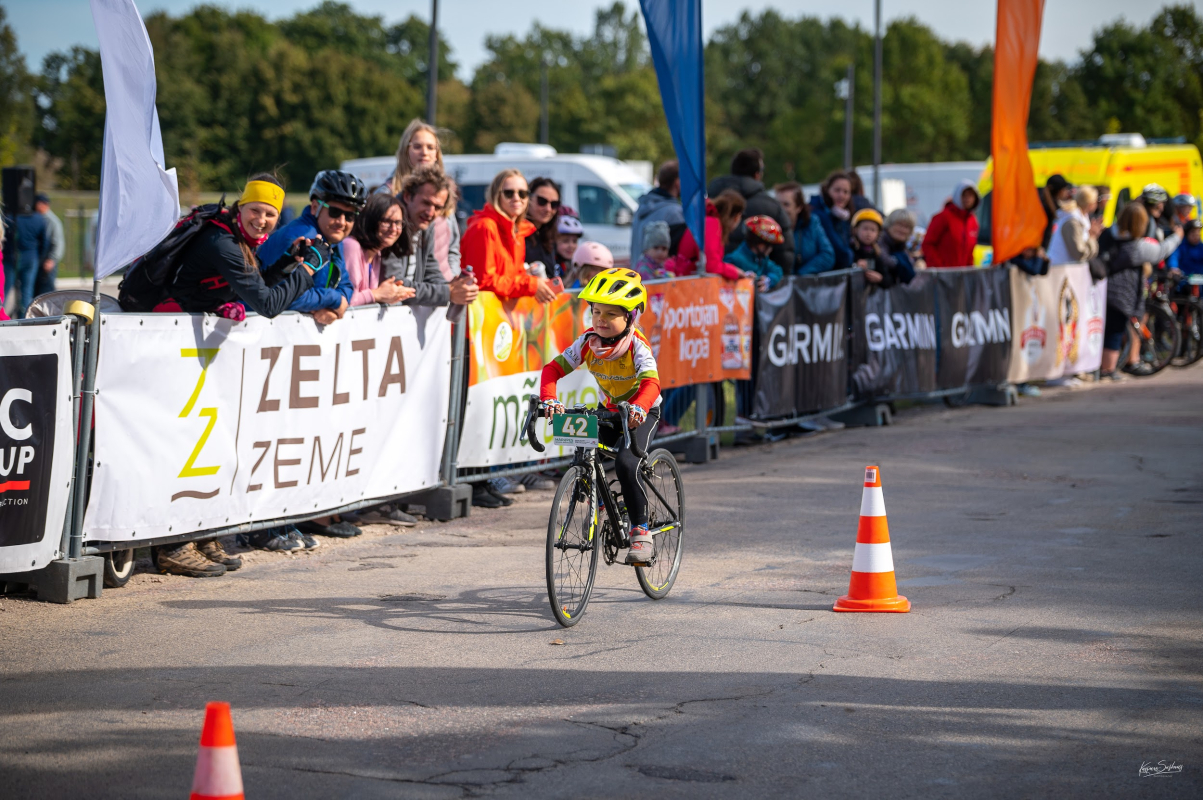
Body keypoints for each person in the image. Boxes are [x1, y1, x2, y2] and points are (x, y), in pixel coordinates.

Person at [538, 268, 661, 565]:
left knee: (625, 462)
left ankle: (641, 532)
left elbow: (651, 383)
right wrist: (550, 399)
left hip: (642, 411)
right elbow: (552, 370)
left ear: (631, 317)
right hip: (610, 409)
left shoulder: (636, 345)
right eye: (596, 312)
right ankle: (603, 506)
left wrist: (640, 407)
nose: (601, 320)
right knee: (585, 455)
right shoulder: (587, 342)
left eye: (611, 314)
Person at [160, 174, 316, 319]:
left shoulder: (242, 234)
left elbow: (255, 287)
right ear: (241, 207)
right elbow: (268, 306)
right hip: (162, 321)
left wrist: (290, 261)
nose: (261, 220)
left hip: (183, 322)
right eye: (255, 210)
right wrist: (308, 268)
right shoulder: (224, 243)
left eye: (270, 214)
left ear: (278, 218)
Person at [259, 170, 366, 325]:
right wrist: (334, 300)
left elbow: (346, 286)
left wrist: (332, 309)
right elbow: (285, 298)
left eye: (350, 216)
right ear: (315, 207)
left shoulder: (333, 237)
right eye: (335, 212)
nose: (342, 222)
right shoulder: (300, 236)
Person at [1101, 203, 1182, 379]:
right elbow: (1160, 251)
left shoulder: (1110, 233)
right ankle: (1108, 369)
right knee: (1114, 332)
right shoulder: (1135, 246)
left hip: (1104, 290)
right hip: (1120, 294)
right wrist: (1177, 236)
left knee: (1109, 331)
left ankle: (1112, 365)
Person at [386, 164, 478, 308]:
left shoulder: (425, 225)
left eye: (438, 207)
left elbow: (430, 269)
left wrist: (453, 287)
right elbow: (395, 283)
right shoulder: (390, 224)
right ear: (407, 196)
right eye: (426, 203)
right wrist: (447, 292)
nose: (430, 212)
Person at [381, 118, 461, 281]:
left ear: (437, 154)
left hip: (441, 287)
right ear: (405, 150)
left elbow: (453, 249)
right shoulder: (387, 194)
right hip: (406, 288)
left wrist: (452, 281)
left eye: (431, 147)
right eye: (417, 146)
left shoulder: (445, 193)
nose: (424, 152)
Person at [461, 169, 557, 302]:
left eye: (522, 193)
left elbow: (511, 278)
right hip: (481, 316)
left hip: (502, 314)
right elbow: (483, 282)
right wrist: (531, 285)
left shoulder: (518, 230)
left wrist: (531, 279)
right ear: (496, 195)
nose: (516, 198)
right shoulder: (484, 227)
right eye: (509, 193)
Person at [707, 148, 795, 271]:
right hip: (750, 281)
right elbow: (784, 254)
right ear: (757, 174)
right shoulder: (771, 206)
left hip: (713, 278)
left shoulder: (710, 202)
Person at [342, 194, 412, 307]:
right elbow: (345, 300)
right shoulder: (351, 246)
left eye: (398, 223)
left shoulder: (377, 253)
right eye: (386, 221)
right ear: (371, 221)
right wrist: (377, 294)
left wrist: (390, 295)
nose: (393, 229)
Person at [665, 190, 747, 280]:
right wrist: (734, 271)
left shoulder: (708, 221)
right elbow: (710, 265)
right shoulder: (712, 224)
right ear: (737, 217)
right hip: (689, 283)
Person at [775, 181, 835, 275]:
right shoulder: (770, 226)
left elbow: (828, 255)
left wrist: (801, 275)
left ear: (798, 207)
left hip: (806, 285)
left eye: (786, 204)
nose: (781, 209)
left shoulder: (812, 223)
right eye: (778, 204)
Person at [631, 160, 685, 261]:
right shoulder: (674, 213)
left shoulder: (642, 206)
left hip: (638, 273)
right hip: (658, 275)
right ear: (677, 182)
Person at [922, 180, 980, 268]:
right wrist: (939, 267)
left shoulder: (973, 221)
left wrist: (970, 271)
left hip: (962, 276)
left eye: (970, 195)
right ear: (957, 196)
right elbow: (927, 244)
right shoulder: (943, 217)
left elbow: (969, 253)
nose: (967, 199)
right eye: (964, 195)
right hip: (944, 274)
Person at [809, 171, 857, 271]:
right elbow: (840, 254)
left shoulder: (843, 216)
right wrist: (854, 259)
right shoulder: (819, 215)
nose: (842, 196)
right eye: (837, 190)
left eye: (846, 192)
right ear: (827, 190)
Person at [726, 215, 784, 290]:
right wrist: (742, 276)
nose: (771, 249)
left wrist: (769, 280)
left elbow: (777, 270)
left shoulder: (762, 260)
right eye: (768, 245)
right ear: (758, 243)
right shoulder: (735, 259)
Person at [849, 208, 905, 287]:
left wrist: (880, 279)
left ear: (878, 233)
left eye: (873, 230)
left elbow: (889, 279)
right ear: (855, 230)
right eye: (865, 228)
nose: (869, 233)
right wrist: (854, 265)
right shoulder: (850, 250)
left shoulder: (876, 253)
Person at [1047, 186, 1101, 266]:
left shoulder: (1080, 218)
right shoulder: (1072, 221)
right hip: (1059, 270)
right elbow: (1079, 253)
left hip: (1064, 269)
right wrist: (1092, 237)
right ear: (1090, 204)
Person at [13, 199, 49, 318]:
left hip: (14, 257)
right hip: (31, 257)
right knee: (27, 291)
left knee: (5, 288)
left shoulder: (13, 218)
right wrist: (40, 257)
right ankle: (24, 318)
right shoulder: (39, 219)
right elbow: (44, 241)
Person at [524, 177, 561, 277]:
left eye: (554, 204)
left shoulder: (550, 236)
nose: (548, 209)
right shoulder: (516, 234)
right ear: (528, 199)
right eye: (542, 201)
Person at [33, 194, 63, 301]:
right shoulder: (38, 218)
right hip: (39, 259)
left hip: (47, 260)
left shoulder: (52, 221)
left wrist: (52, 259)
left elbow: (58, 242)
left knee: (47, 291)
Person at [881, 209, 922, 279]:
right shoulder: (880, 241)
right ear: (889, 224)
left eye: (907, 227)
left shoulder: (900, 246)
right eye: (899, 225)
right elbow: (885, 260)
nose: (903, 230)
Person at [1040, 174, 1074, 249]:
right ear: (1060, 191)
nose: (1066, 192)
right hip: (1042, 249)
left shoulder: (1050, 205)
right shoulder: (1048, 208)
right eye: (1065, 189)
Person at [555, 211, 583, 278]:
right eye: (565, 241)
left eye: (574, 241)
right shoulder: (552, 264)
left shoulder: (575, 264)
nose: (571, 246)